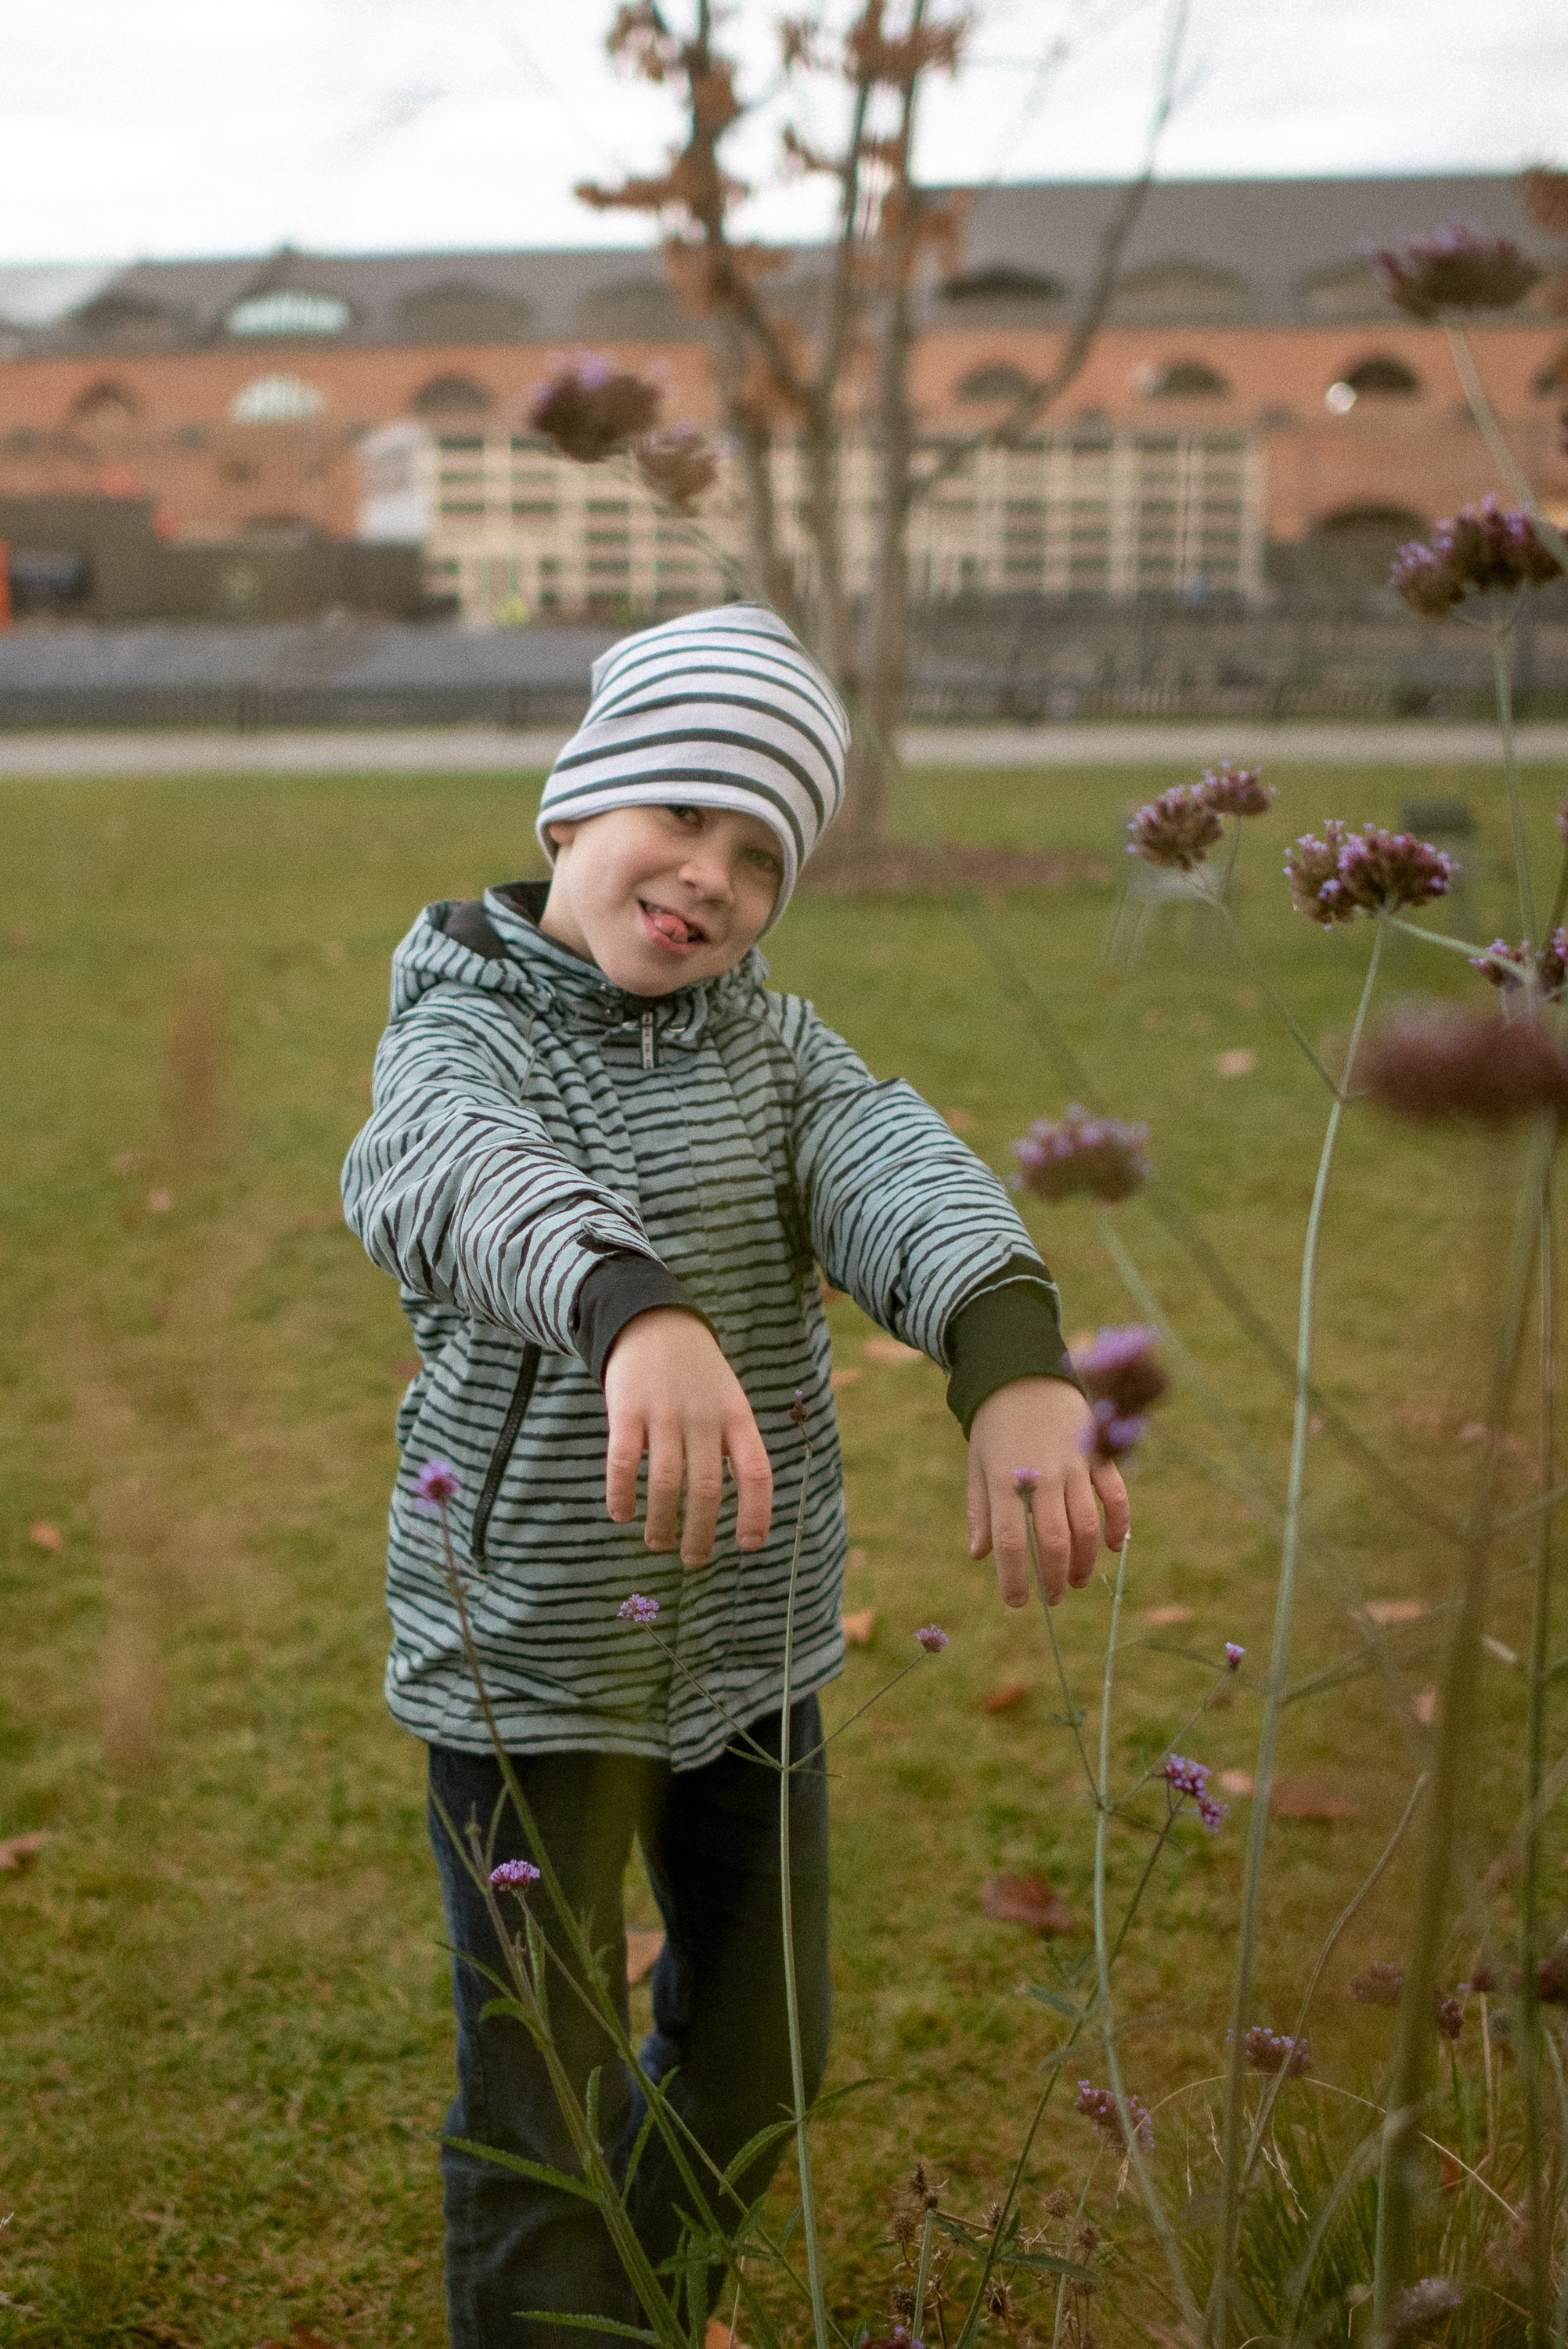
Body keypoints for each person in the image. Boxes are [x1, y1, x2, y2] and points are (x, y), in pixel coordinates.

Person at [341, 601, 1130, 2349]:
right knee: (539, 2096)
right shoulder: (457, 1037)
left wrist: (1008, 1360)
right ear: (575, 809)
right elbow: (455, 1178)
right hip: (532, 1668)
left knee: (768, 2055)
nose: (710, 875)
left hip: (751, 1652)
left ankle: (631, 2308)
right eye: (681, 816)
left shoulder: (772, 1051)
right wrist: (635, 1307)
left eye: (763, 855)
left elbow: (896, 1169)